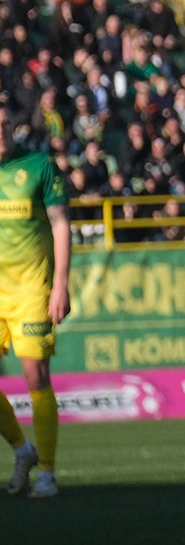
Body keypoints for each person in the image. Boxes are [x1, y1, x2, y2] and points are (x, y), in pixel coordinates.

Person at [0, 108, 72, 499]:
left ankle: (46, 473)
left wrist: (60, 284)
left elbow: (61, 223)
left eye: (4, 125)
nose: (0, 132)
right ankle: (22, 450)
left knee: (35, 378)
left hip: (31, 291)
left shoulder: (39, 165)